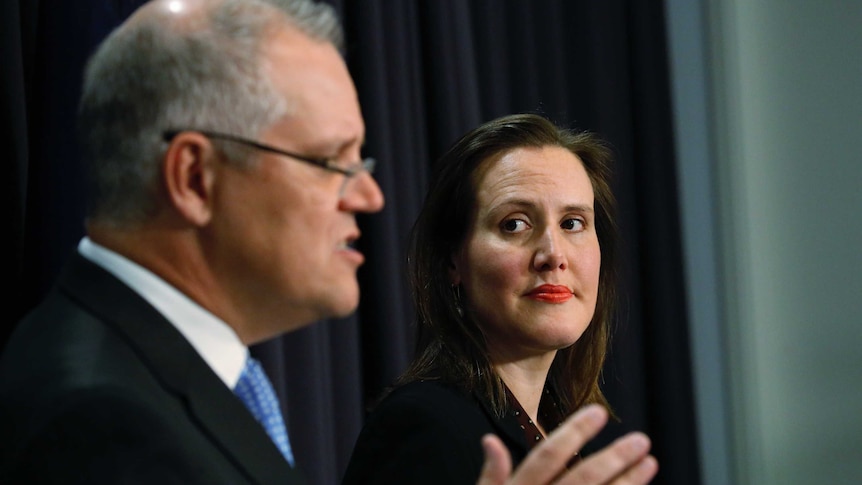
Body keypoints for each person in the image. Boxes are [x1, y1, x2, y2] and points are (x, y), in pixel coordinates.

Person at [0, 0, 656, 483]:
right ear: (196, 177)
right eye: (330, 161)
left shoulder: (177, 379)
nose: (369, 197)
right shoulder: (97, 416)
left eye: (576, 221)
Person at [343, 113, 658, 484]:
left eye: (572, 223)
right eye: (515, 224)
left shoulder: (568, 437)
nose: (553, 254)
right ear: (452, 261)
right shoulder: (424, 425)